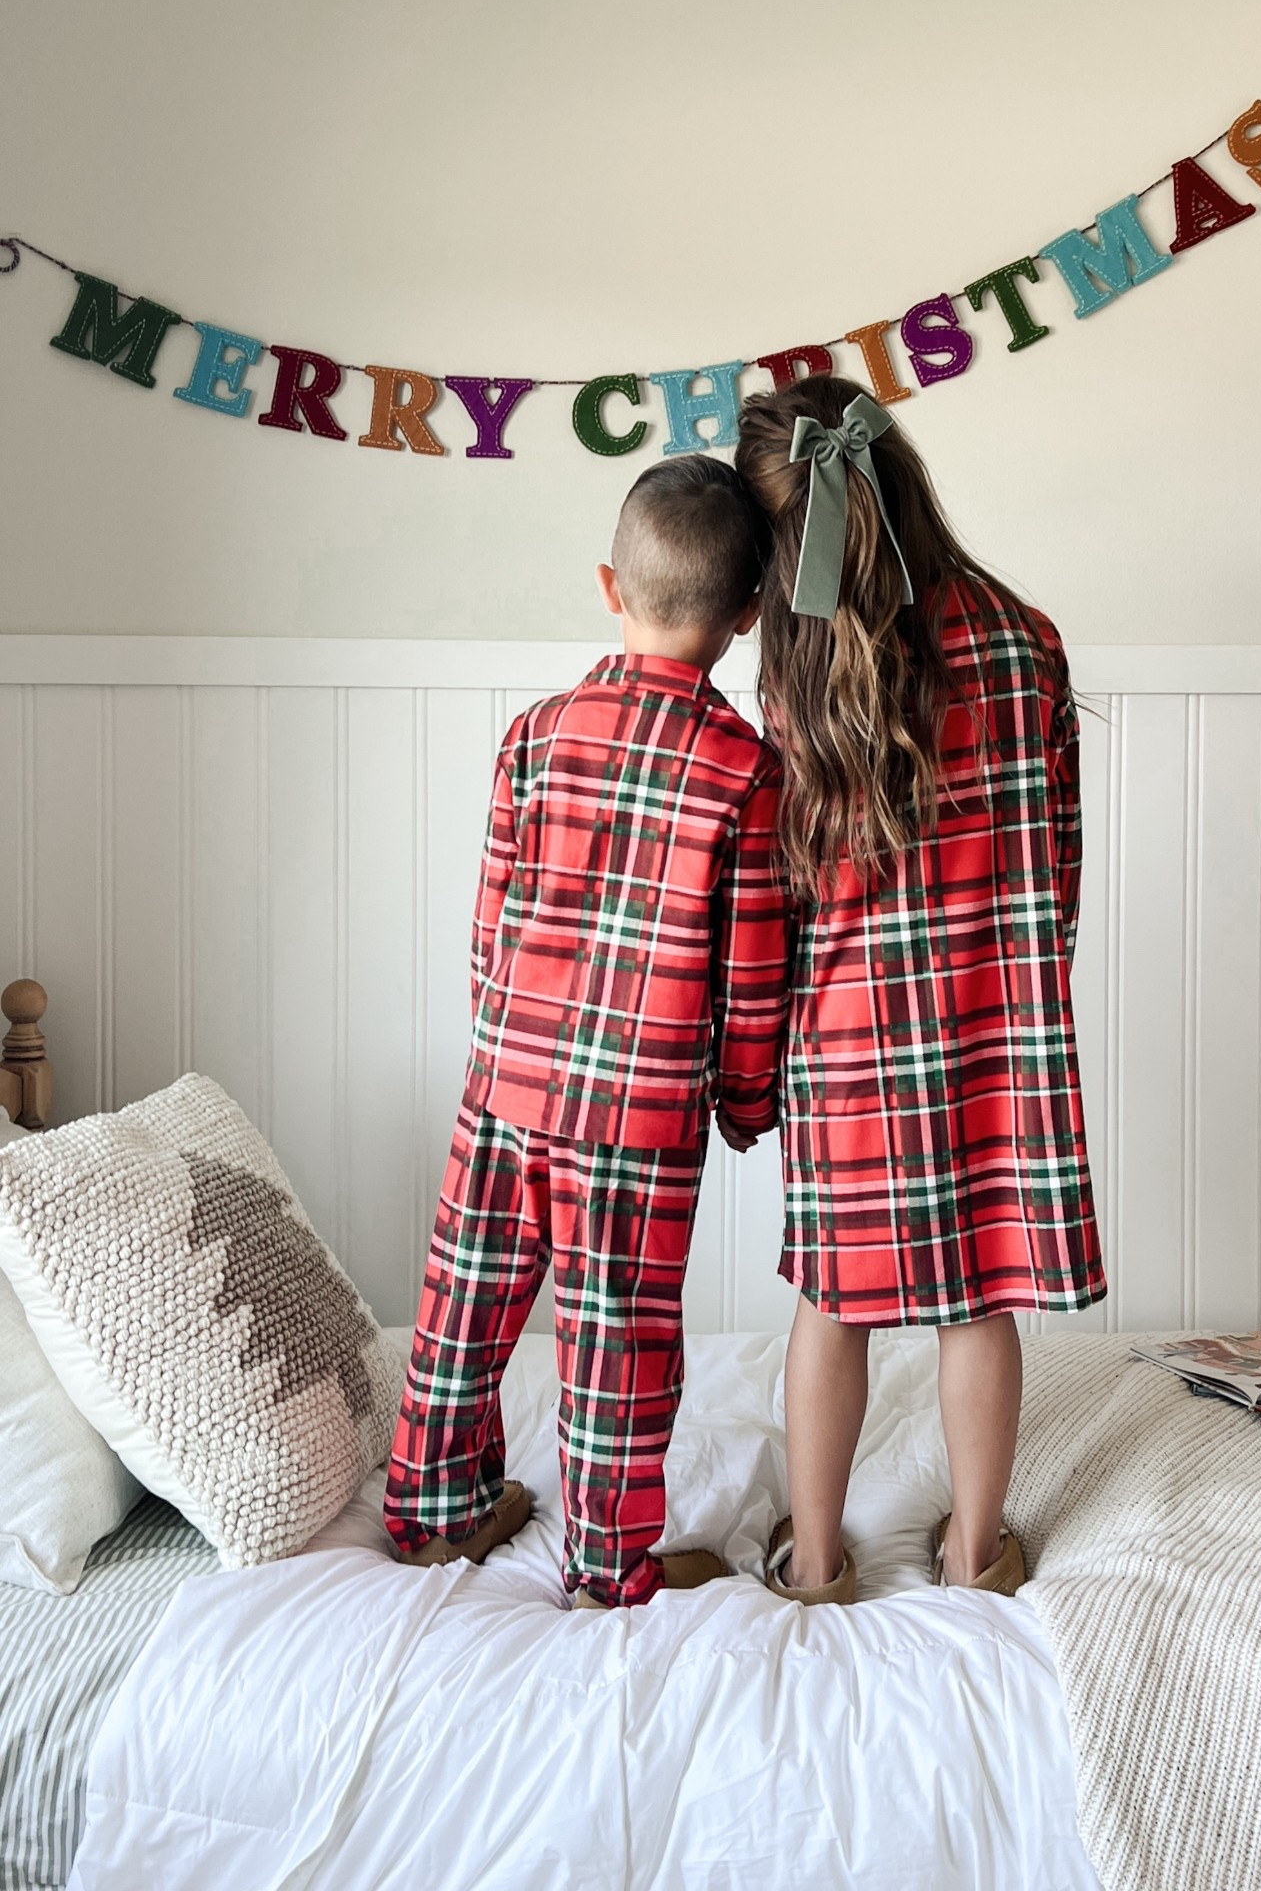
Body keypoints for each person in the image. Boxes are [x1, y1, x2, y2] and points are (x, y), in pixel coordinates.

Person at [383, 455, 791, 1608]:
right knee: (618, 1339)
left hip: (508, 1085)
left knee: (464, 1301)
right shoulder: (745, 771)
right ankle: (611, 1565)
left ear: (610, 585)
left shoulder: (535, 733)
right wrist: (746, 1098)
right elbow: (752, 965)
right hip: (638, 1116)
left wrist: (503, 1044)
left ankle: (432, 1509)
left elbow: (491, 924)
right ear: (748, 614)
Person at [733, 376, 1104, 1605]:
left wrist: (765, 1046)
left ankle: (817, 1560)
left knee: (831, 1301)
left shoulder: (795, 673)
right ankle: (973, 1550)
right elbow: (1058, 858)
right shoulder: (1025, 638)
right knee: (980, 1294)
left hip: (847, 1032)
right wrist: (1028, 977)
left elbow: (779, 889)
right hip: (998, 1021)